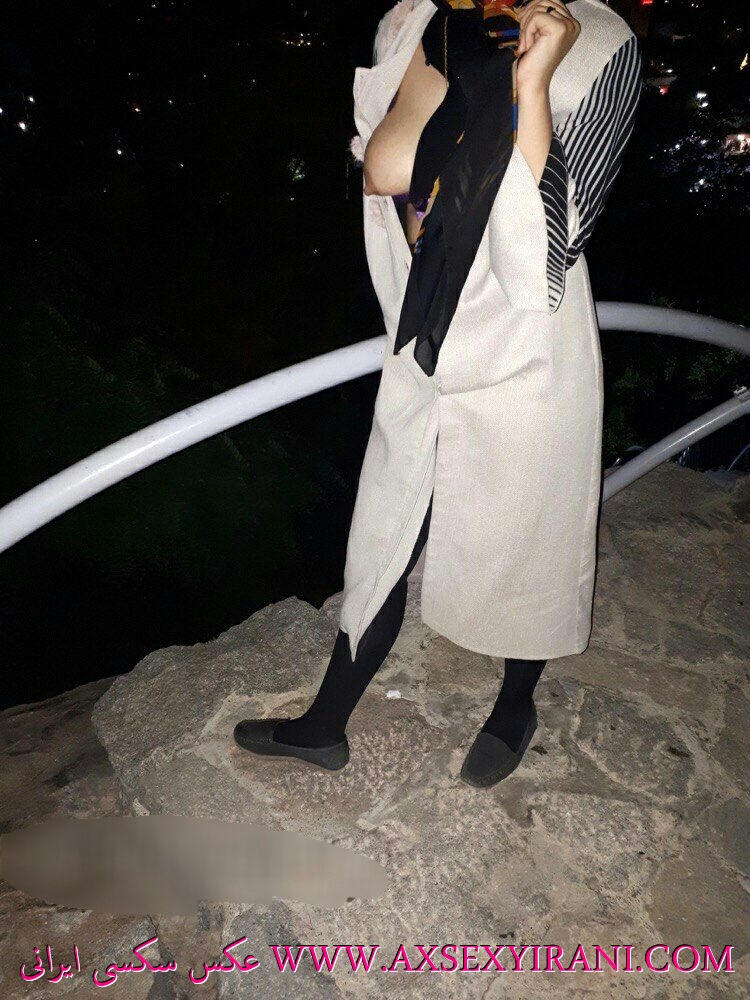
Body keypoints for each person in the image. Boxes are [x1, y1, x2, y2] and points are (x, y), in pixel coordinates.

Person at [234, 0, 642, 788]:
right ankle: (324, 725)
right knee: (384, 532)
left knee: (530, 542)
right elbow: (379, 169)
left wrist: (531, 84)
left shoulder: (601, 45)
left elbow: (547, 262)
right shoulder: (411, 22)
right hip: (423, 339)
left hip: (525, 354)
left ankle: (515, 705)